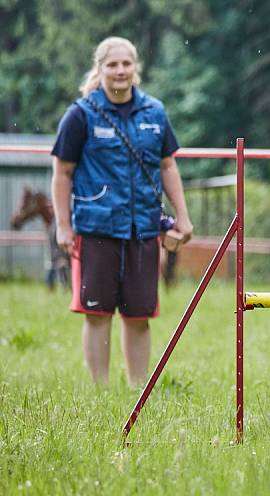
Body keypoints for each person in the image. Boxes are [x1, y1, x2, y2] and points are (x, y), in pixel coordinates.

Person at [51, 36, 193, 387]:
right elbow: (62, 172)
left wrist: (183, 216)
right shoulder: (80, 115)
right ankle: (100, 390)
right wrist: (63, 227)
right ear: (100, 70)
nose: (120, 71)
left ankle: (136, 390)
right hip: (96, 227)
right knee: (97, 313)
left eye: (126, 64)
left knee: (139, 314)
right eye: (112, 65)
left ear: (136, 68)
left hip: (143, 228)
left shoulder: (155, 113)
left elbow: (167, 166)